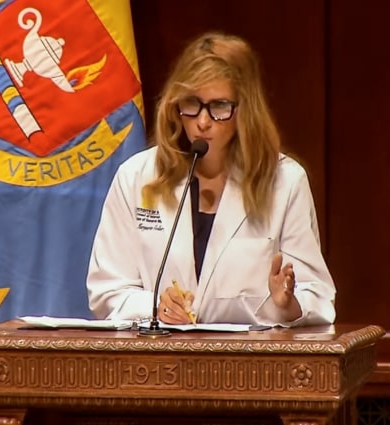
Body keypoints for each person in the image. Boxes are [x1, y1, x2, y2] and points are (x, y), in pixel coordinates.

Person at [86, 32, 335, 327]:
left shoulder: (284, 182)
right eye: (192, 103)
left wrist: (289, 304)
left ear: (245, 110)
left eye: (218, 107)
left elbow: (317, 295)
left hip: (250, 364)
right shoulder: (136, 176)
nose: (202, 122)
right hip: (157, 363)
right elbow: (106, 291)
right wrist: (154, 305)